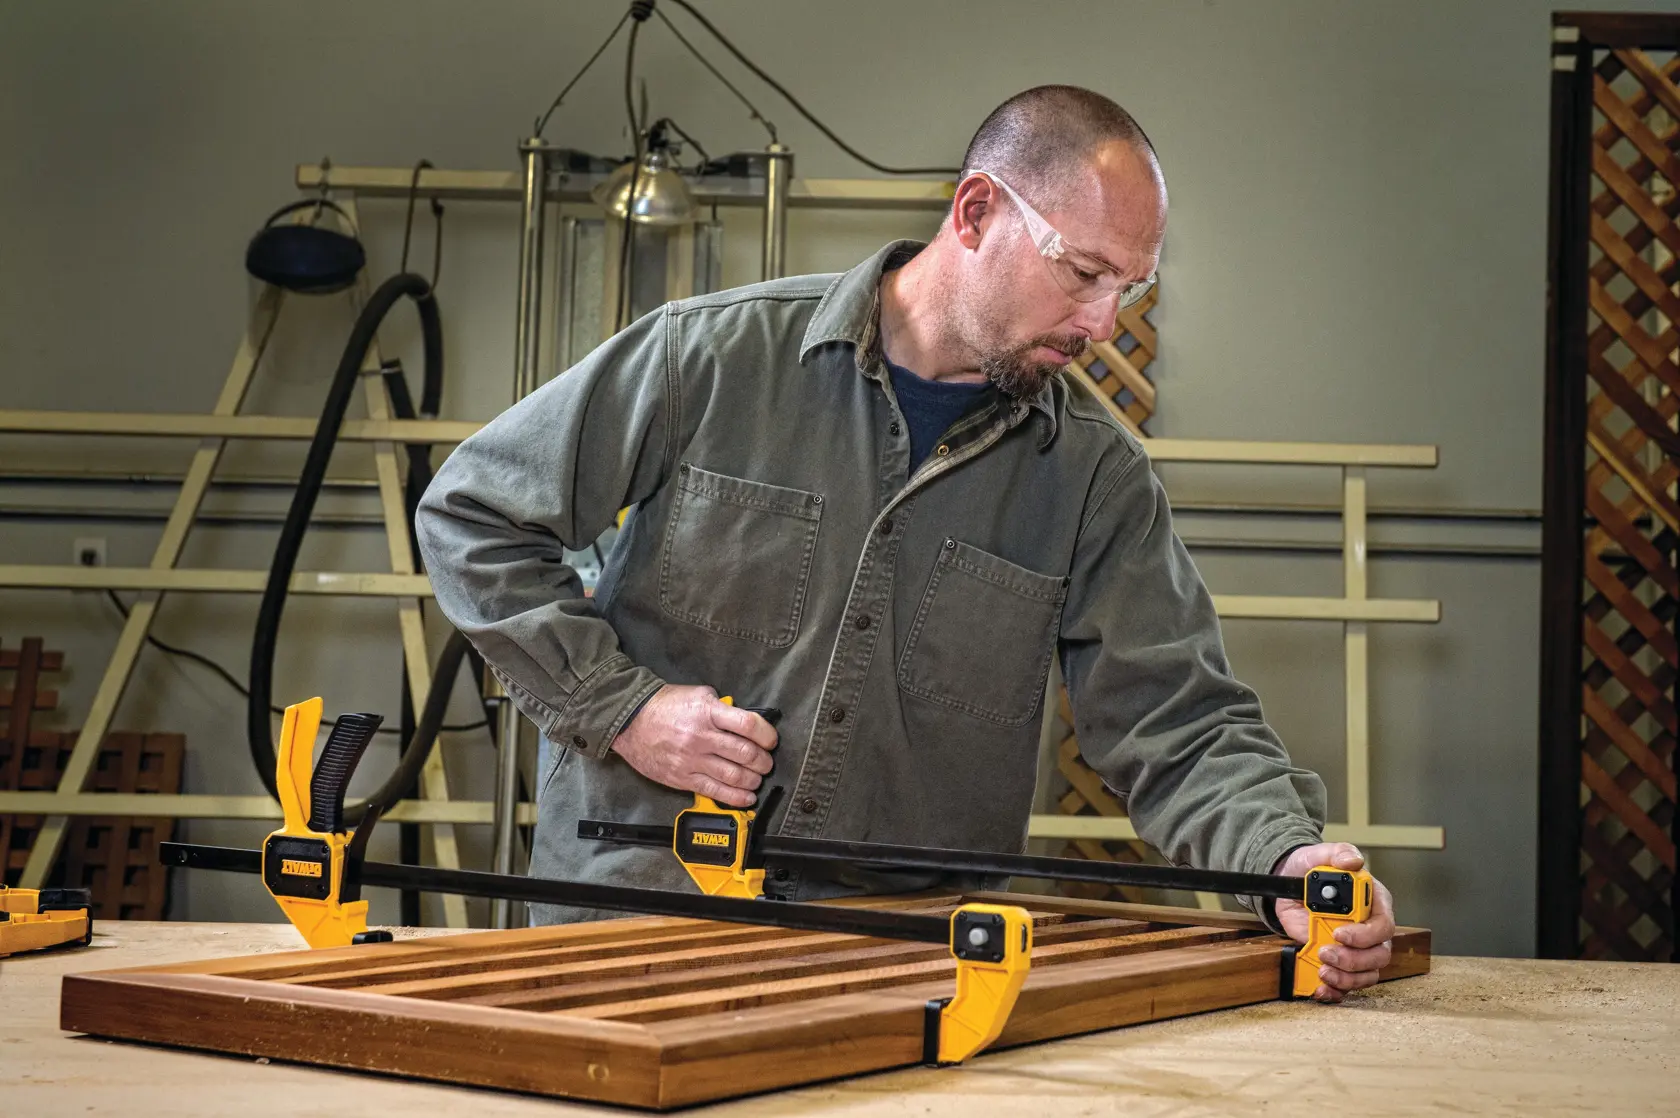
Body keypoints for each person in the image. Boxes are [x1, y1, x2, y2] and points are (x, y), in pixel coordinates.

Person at [416, 84, 1395, 1001]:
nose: (1101, 321)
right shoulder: (711, 359)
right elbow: (471, 513)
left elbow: (1180, 722)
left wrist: (1286, 857)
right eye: (1083, 272)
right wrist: (623, 708)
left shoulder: (1095, 479)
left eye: (1129, 289)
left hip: (902, 956)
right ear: (975, 214)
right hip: (638, 913)